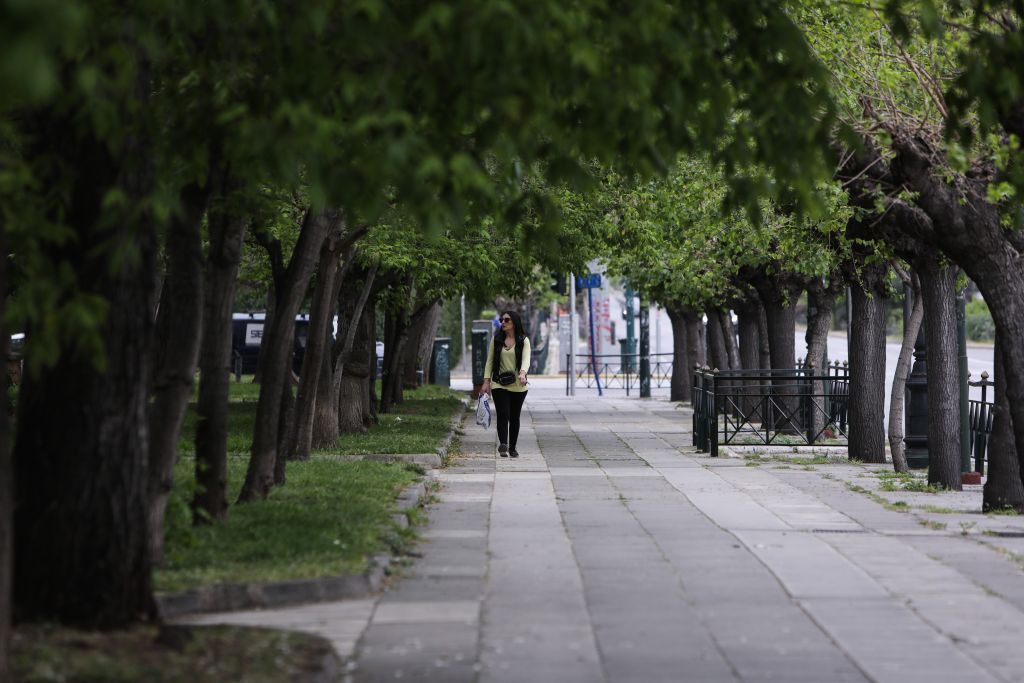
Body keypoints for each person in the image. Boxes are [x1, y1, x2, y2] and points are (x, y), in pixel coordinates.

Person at [482, 310, 530, 457]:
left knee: (514, 417)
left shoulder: (523, 340)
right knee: (503, 413)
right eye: (502, 320)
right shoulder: (496, 339)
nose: (503, 322)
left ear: (514, 323)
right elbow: (489, 361)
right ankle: (503, 444)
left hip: (518, 384)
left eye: (507, 320)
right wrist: (486, 381)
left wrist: (522, 373)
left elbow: (526, 359)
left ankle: (512, 448)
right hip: (499, 383)